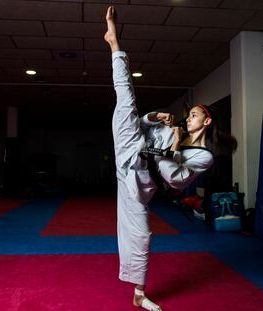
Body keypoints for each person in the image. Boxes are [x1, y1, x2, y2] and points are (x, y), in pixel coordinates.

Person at [104, 6, 218, 310]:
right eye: (188, 115)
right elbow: (145, 122)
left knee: (142, 237)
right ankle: (114, 43)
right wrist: (159, 115)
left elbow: (175, 180)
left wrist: (174, 147)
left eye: (193, 116)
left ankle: (139, 294)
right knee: (127, 97)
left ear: (205, 123)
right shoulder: (175, 129)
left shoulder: (202, 156)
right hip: (130, 143)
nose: (187, 118)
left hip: (137, 183)